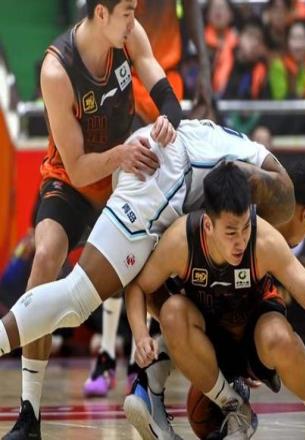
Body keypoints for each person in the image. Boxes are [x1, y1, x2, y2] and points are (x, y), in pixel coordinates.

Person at [0, 118, 296, 437]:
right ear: (304, 212)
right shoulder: (275, 193)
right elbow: (239, 176)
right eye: (303, 234)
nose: (293, 243)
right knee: (77, 298)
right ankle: (178, 391)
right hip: (162, 173)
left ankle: (150, 390)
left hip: (160, 167)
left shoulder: (240, 156)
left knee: (173, 297)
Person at [3, 0, 183, 438]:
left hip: (123, 180)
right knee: (45, 258)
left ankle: (152, 389)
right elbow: (80, 168)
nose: (134, 19)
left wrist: (167, 119)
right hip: (73, 182)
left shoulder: (129, 34)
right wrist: (121, 154)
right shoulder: (57, 70)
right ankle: (30, 411)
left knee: (160, 274)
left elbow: (164, 91)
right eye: (126, 12)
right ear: (101, 14)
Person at [126, 163, 305, 440]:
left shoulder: (264, 239)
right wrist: (141, 335)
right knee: (172, 312)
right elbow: (138, 286)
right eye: (231, 232)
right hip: (210, 337)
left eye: (245, 228)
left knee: (278, 336)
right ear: (208, 224)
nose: (240, 241)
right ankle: (233, 405)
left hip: (255, 333)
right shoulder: (182, 240)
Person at [84, 0, 217, 398]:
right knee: (117, 229)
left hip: (162, 87)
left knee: (154, 240)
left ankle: (139, 358)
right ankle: (107, 352)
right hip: (122, 85)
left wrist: (204, 70)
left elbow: (191, 10)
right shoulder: (113, 21)